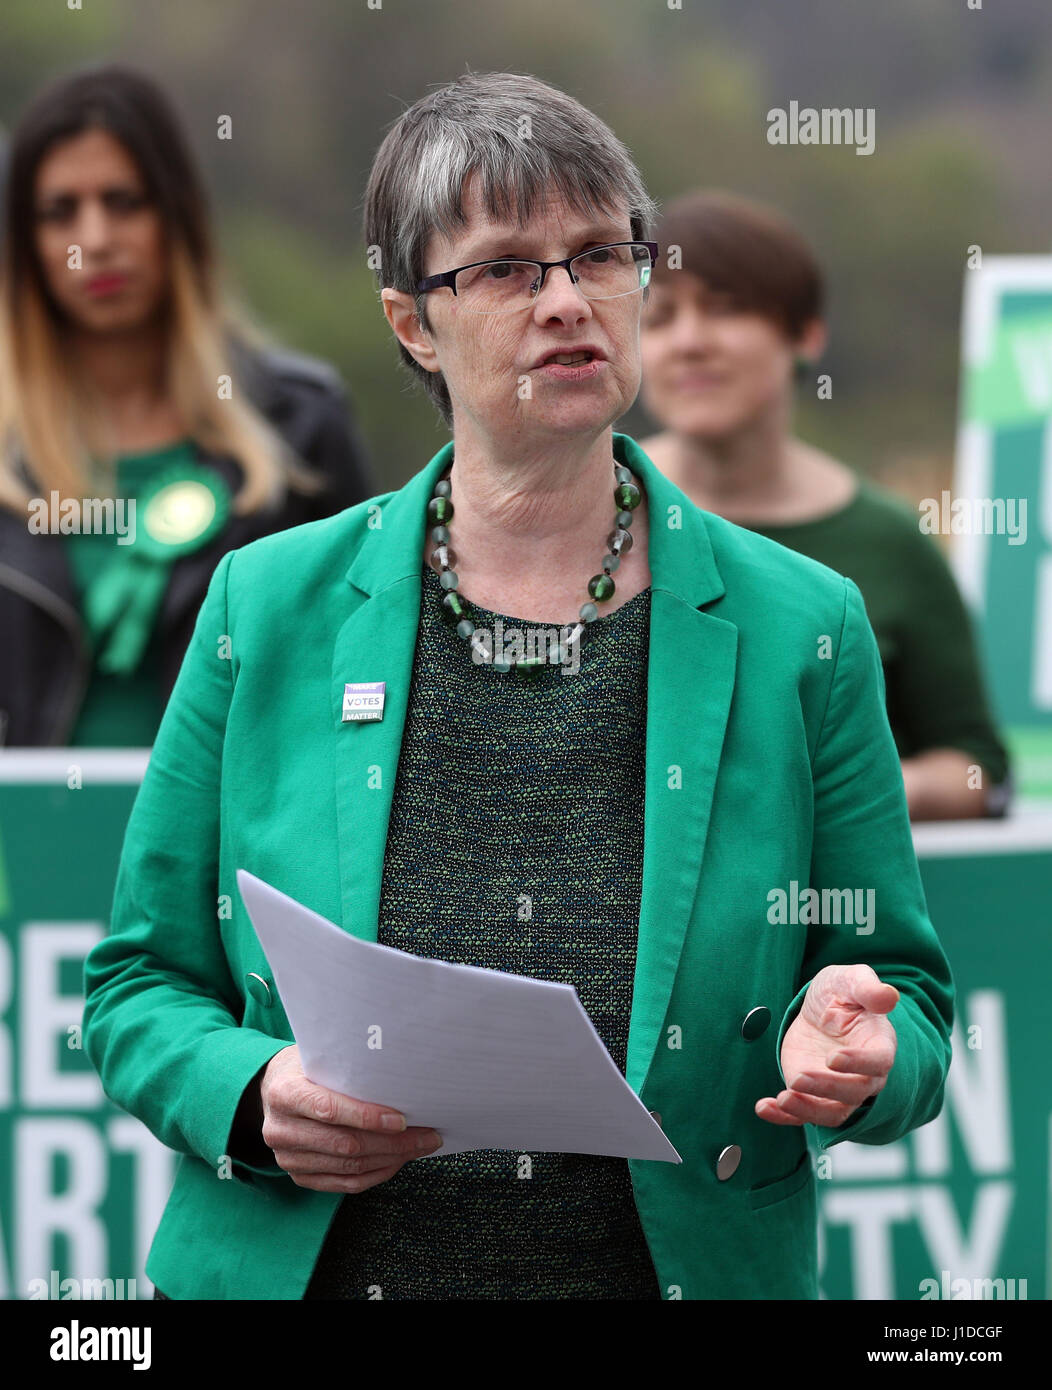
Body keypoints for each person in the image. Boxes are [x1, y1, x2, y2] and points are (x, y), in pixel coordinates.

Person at [83, 71, 953, 1301]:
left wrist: (865, 1054)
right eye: (502, 268)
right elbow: (138, 983)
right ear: (408, 322)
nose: (565, 301)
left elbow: (903, 994)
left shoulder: (804, 623)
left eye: (599, 254)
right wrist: (250, 1092)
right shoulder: (265, 604)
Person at [0, 65, 374, 747]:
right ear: (24, 244)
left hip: (233, 849)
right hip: (25, 849)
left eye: (124, 201)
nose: (96, 239)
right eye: (59, 212)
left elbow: (366, 673)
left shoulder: (301, 422)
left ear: (179, 218)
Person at [638, 190, 1011, 821]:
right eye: (660, 317)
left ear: (806, 336)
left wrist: (842, 784)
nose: (689, 342)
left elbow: (978, 769)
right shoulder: (585, 514)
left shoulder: (888, 540)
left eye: (726, 310)